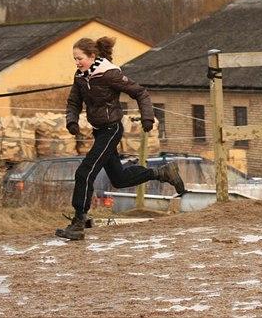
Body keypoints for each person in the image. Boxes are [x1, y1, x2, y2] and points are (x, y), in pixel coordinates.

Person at [56, 36, 184, 241]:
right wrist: (72, 121)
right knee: (119, 179)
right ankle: (162, 172)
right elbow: (73, 102)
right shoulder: (80, 77)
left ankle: (79, 222)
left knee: (84, 172)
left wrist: (148, 118)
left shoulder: (110, 74)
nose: (77, 62)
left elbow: (141, 93)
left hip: (111, 130)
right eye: (75, 59)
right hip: (99, 131)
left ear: (92, 56)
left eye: (79, 58)